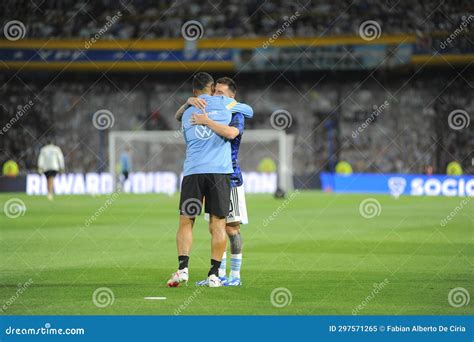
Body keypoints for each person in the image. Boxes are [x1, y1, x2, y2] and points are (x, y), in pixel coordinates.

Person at [167, 72, 253, 288]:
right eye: (215, 91)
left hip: (229, 175)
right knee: (217, 226)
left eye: (221, 93)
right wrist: (190, 103)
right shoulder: (221, 107)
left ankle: (233, 274)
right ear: (210, 88)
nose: (216, 95)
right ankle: (217, 274)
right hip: (218, 173)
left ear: (231, 96)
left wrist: (205, 118)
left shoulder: (230, 111)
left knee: (230, 228)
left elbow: (233, 133)